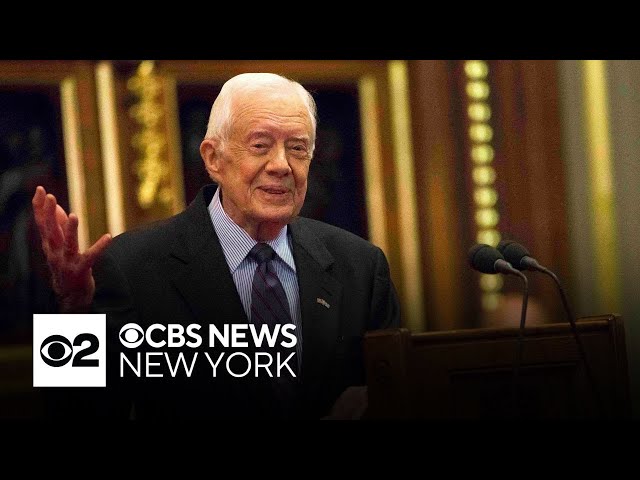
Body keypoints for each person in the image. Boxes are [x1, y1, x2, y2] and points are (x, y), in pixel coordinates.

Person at [32, 73, 400, 420]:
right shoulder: (131, 266)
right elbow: (69, 412)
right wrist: (72, 313)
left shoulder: (360, 267)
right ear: (213, 158)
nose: (281, 165)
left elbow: (400, 397)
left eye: (298, 148)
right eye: (260, 146)